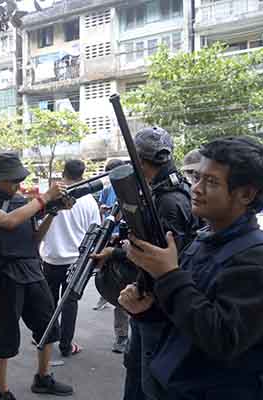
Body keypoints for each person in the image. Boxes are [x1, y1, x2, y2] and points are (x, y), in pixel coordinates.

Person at [121, 136, 263, 399]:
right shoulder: (203, 241)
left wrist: (168, 275)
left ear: (246, 194)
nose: (196, 189)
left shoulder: (262, 265)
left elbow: (221, 339)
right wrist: (148, 311)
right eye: (197, 178)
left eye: (211, 182)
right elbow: (187, 319)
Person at [93, 127, 195, 400]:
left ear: (138, 159)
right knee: (137, 371)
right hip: (149, 299)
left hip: (157, 305)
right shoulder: (162, 191)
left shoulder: (169, 200)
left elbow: (169, 259)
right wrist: (115, 253)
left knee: (150, 382)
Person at [0, 152, 73, 400]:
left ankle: (43, 377)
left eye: (19, 178)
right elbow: (7, 222)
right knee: (4, 335)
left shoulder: (22, 201)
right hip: (5, 274)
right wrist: (44, 198)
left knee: (48, 326)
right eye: (12, 179)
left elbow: (35, 239)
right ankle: (2, 392)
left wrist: (53, 211)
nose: (17, 184)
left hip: (31, 269)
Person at [40, 159, 101, 357]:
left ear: (63, 172)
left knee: (49, 301)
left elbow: (39, 224)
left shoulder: (52, 196)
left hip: (51, 258)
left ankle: (44, 338)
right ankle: (66, 346)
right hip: (76, 261)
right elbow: (96, 231)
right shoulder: (89, 201)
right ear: (83, 174)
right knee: (69, 304)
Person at [94, 158, 131, 354]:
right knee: (120, 289)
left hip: (132, 247)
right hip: (115, 243)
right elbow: (102, 210)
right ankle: (122, 335)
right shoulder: (107, 190)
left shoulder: (136, 192)